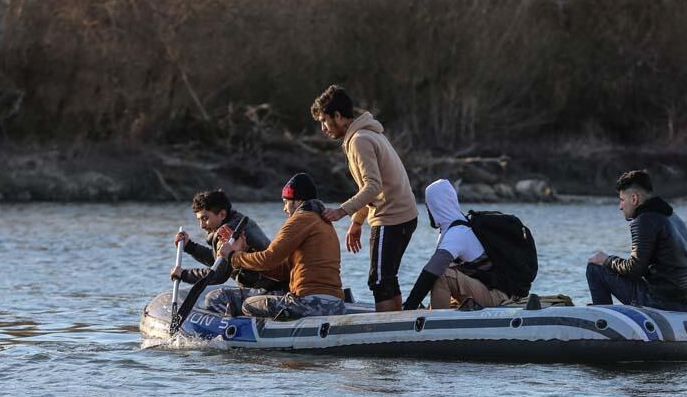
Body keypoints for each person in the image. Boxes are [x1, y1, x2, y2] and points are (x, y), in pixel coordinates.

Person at [310, 85, 418, 312]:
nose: (323, 128)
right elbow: (371, 188)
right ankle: (396, 325)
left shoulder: (359, 140)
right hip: (403, 215)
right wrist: (358, 221)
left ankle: (386, 335)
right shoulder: (367, 134)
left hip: (391, 217)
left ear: (338, 116)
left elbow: (373, 186)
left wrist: (342, 211)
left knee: (379, 281)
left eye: (324, 121)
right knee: (386, 278)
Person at [218, 173, 346, 318]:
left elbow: (268, 259)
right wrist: (245, 251)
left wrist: (232, 256)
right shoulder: (323, 221)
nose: (284, 209)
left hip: (309, 302)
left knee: (248, 304)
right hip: (336, 304)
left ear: (297, 201)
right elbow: (281, 271)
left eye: (286, 202)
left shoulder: (300, 219)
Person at [586, 170, 687, 312]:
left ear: (634, 199)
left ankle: (602, 319)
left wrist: (606, 260)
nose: (620, 207)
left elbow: (635, 269)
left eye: (621, 200)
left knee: (595, 268)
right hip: (686, 302)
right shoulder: (673, 217)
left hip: (660, 302)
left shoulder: (644, 220)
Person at [169, 189, 283, 315]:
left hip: (268, 289)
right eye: (199, 220)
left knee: (215, 299)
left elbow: (218, 274)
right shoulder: (235, 222)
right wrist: (190, 247)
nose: (201, 225)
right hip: (264, 286)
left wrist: (184, 274)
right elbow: (219, 261)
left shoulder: (229, 233)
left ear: (222, 214)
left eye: (205, 218)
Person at [403, 179, 511, 310]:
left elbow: (431, 273)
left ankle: (436, 325)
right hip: (484, 291)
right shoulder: (454, 228)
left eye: (428, 206)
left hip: (496, 297)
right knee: (443, 271)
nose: (427, 212)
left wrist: (409, 308)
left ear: (436, 205)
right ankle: (433, 311)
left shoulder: (458, 233)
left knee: (441, 274)